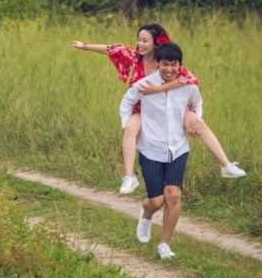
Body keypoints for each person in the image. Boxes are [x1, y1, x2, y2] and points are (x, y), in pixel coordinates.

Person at [71, 23, 245, 194]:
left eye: (145, 41)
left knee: (198, 123)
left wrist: (157, 89)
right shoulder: (134, 56)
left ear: (156, 42)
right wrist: (84, 46)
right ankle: (129, 177)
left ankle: (226, 165)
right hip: (142, 108)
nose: (140, 44)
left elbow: (189, 80)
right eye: (139, 40)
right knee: (130, 128)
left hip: (171, 106)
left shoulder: (166, 61)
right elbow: (112, 49)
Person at [120, 42, 197, 259]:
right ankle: (146, 215)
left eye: (174, 65)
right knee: (156, 201)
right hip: (151, 149)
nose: (169, 69)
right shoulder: (144, 85)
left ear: (180, 65)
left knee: (173, 195)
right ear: (158, 65)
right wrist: (127, 124)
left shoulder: (188, 85)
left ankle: (164, 244)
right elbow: (126, 102)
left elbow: (197, 103)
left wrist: (194, 124)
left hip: (178, 148)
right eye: (165, 64)